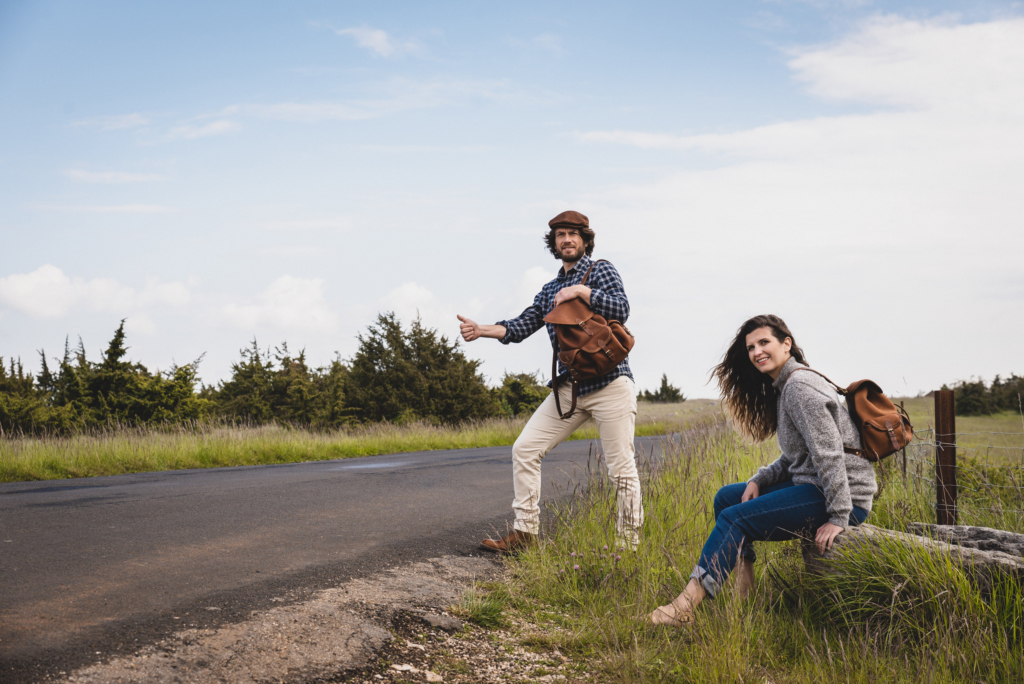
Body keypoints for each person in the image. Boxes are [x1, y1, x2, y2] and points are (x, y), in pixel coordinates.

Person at [650, 314, 877, 626]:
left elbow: (829, 455)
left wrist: (839, 516)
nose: (756, 351)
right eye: (751, 347)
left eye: (764, 342)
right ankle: (746, 589)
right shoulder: (788, 385)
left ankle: (684, 607)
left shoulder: (800, 387)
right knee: (729, 499)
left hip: (841, 498)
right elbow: (798, 455)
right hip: (817, 489)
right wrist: (760, 478)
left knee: (735, 517)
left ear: (787, 345)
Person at [457, 210, 643, 553]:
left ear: (585, 240)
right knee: (525, 449)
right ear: (554, 243)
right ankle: (525, 535)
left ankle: (627, 546)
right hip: (571, 389)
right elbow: (521, 325)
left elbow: (622, 308)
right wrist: (482, 329)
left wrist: (583, 291)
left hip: (612, 383)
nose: (567, 239)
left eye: (573, 233)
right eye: (561, 235)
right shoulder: (549, 289)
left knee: (621, 470)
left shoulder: (600, 269)